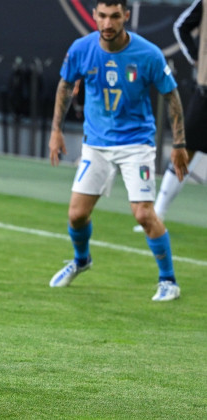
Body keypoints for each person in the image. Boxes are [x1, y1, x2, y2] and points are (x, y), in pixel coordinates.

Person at [47, 0, 189, 301]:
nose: (108, 23)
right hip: (96, 145)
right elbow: (64, 85)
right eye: (102, 16)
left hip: (136, 145)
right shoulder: (82, 49)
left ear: (126, 16)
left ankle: (168, 281)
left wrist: (179, 144)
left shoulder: (147, 53)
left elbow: (172, 95)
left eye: (114, 17)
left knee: (143, 214)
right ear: (94, 16)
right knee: (76, 216)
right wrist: (56, 130)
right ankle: (82, 260)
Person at [132, 0, 206, 232]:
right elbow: (181, 27)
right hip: (205, 92)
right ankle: (158, 212)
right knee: (184, 149)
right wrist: (197, 57)